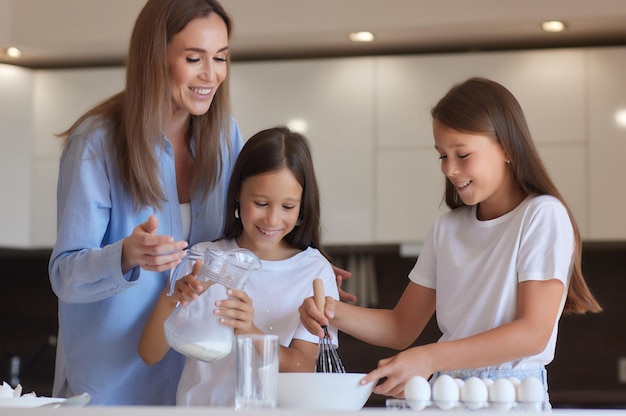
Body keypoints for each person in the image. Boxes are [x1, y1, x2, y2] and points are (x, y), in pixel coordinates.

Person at [299, 77, 602, 407]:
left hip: (513, 399)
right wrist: (331, 311)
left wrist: (430, 359)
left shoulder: (541, 215)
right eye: (442, 156)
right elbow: (401, 326)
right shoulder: (446, 229)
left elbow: (533, 332)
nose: (450, 170)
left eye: (463, 154)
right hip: (447, 396)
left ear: (507, 148)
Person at [48, 0, 243, 405]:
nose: (212, 74)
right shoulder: (97, 143)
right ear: (156, 57)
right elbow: (65, 276)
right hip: (109, 391)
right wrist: (125, 254)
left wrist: (294, 258)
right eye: (194, 58)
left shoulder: (226, 138)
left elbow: (242, 235)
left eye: (221, 58)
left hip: (195, 387)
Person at [138, 126, 340, 407]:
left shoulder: (314, 272)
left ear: (303, 207)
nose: (272, 219)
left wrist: (250, 331)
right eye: (260, 203)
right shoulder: (203, 259)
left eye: (288, 207)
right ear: (237, 194)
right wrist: (172, 299)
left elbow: (302, 366)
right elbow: (149, 354)